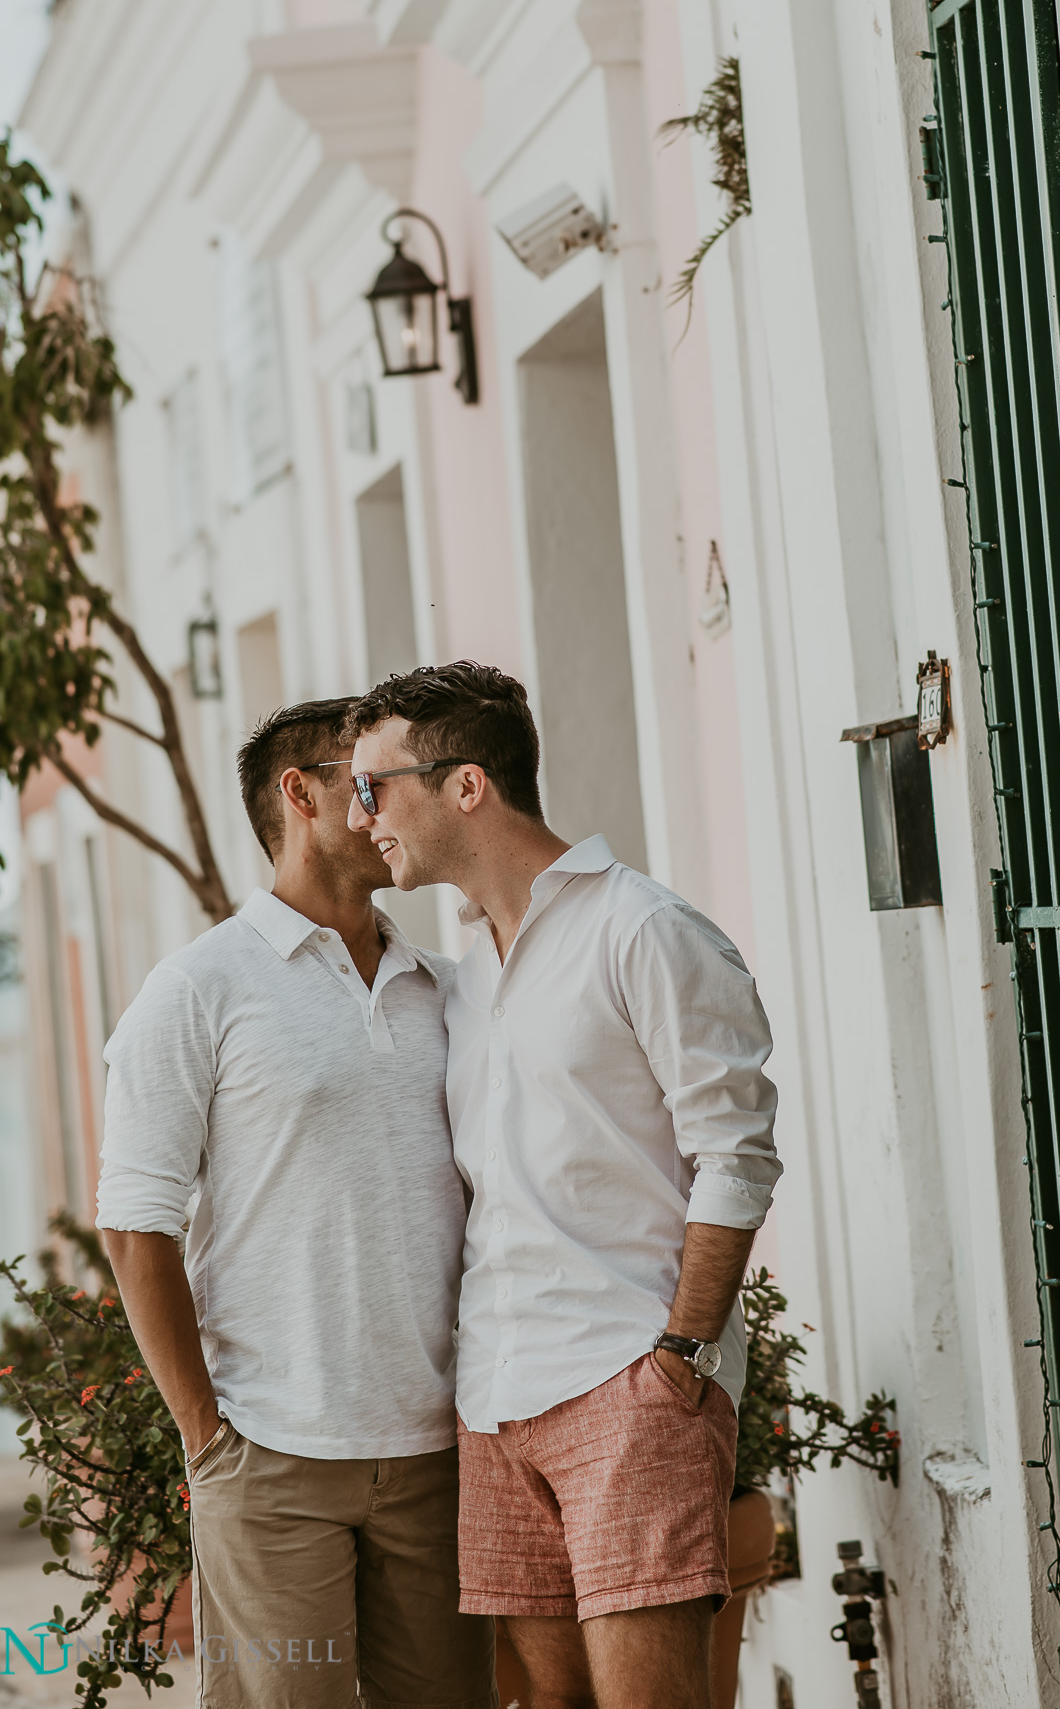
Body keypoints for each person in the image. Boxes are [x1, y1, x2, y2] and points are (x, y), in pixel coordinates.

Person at [343, 663, 781, 1709]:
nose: (363, 821)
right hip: (496, 1400)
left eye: (374, 788)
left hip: (624, 1378)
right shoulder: (467, 977)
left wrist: (679, 1352)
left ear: (465, 786)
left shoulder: (643, 930)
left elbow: (736, 1151)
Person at [95, 697, 497, 1709]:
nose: (383, 806)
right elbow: (133, 1224)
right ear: (298, 793)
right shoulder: (198, 989)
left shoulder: (446, 986)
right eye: (361, 781)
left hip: (438, 1452)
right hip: (270, 1458)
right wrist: (207, 1440)